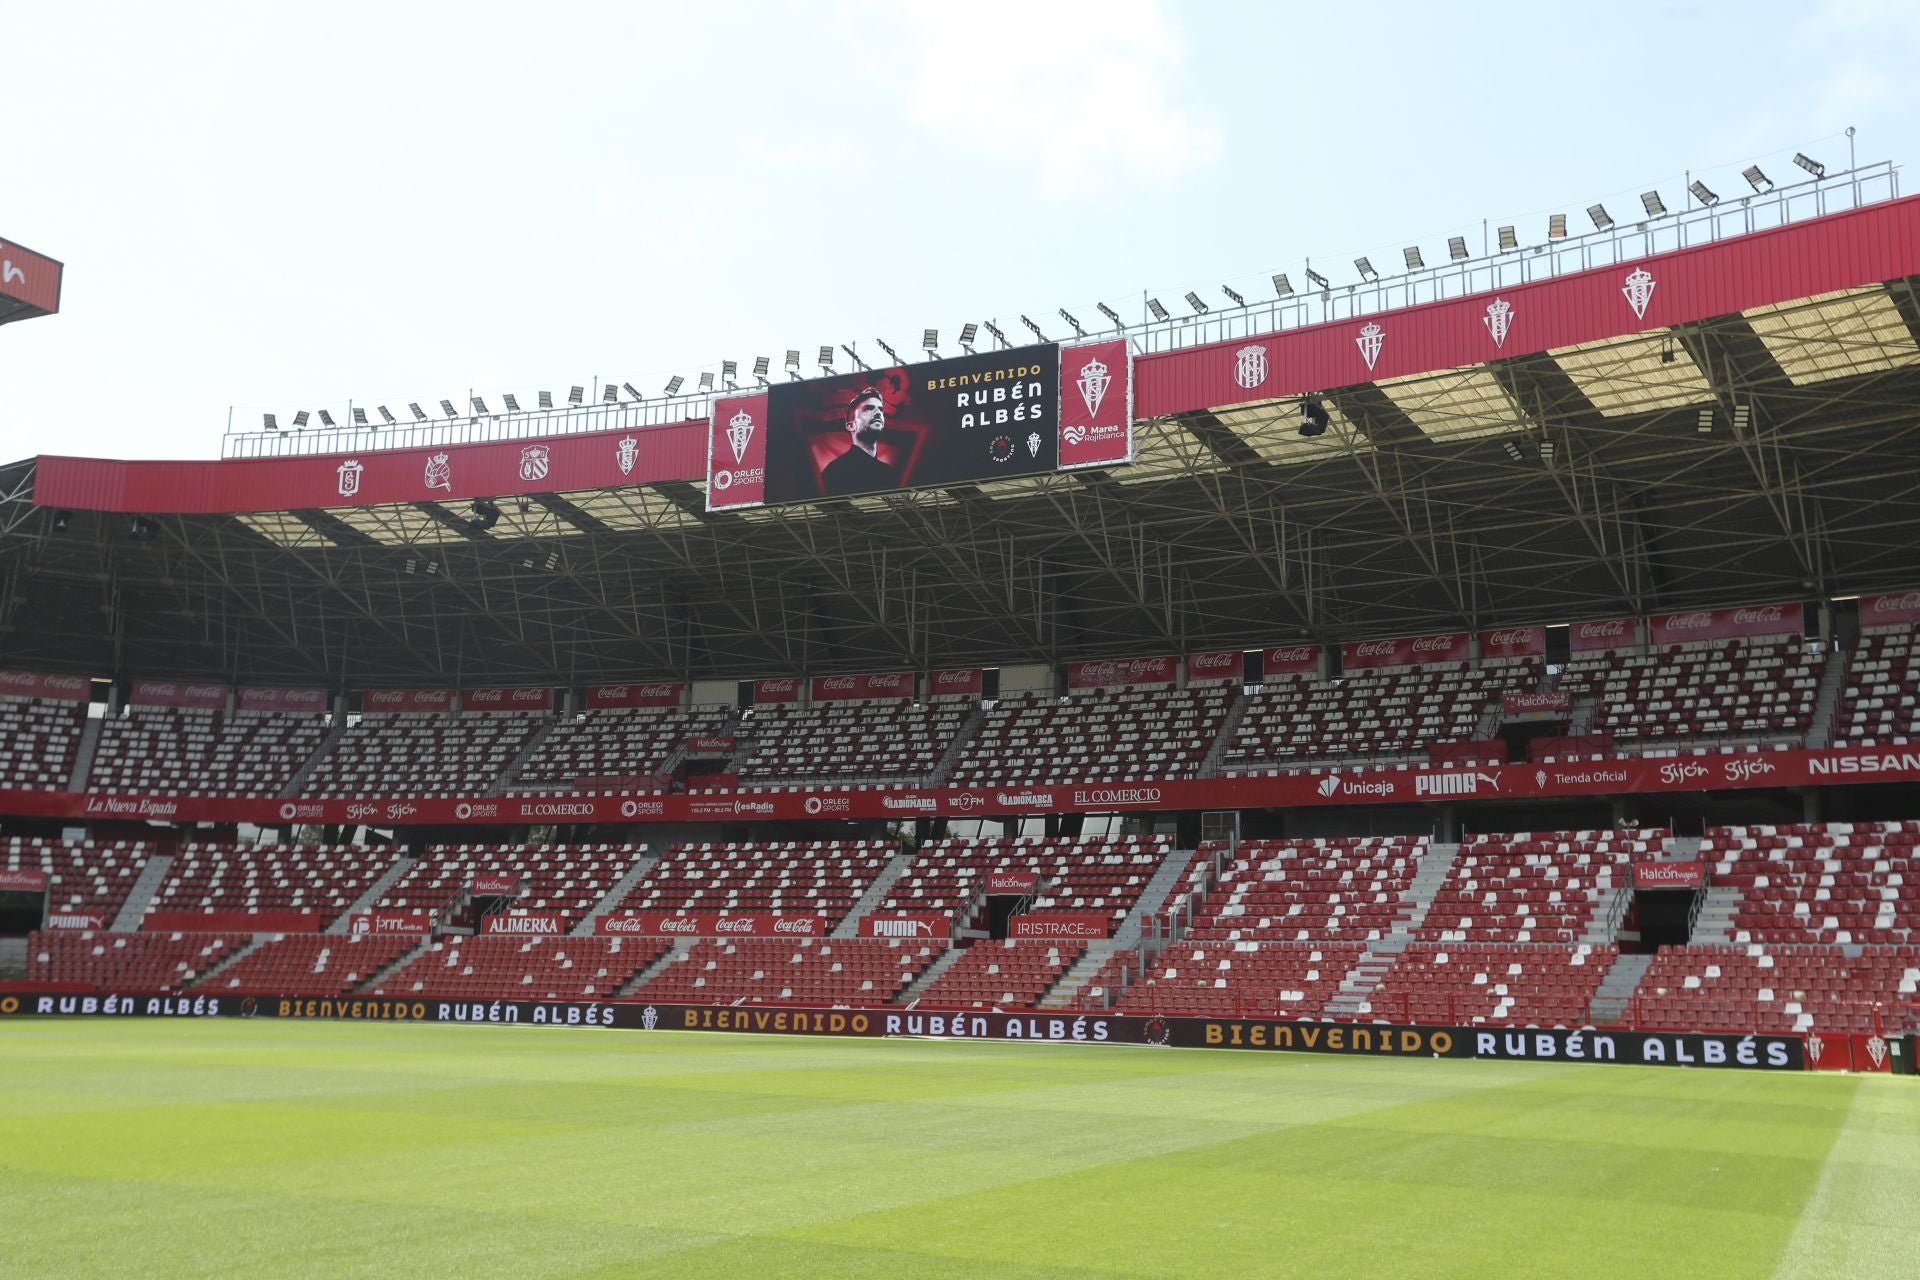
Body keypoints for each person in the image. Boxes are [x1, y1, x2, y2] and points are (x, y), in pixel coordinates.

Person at [820, 390, 900, 495]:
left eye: (881, 410)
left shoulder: (889, 473)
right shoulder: (836, 470)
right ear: (850, 426)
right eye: (868, 409)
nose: (878, 413)